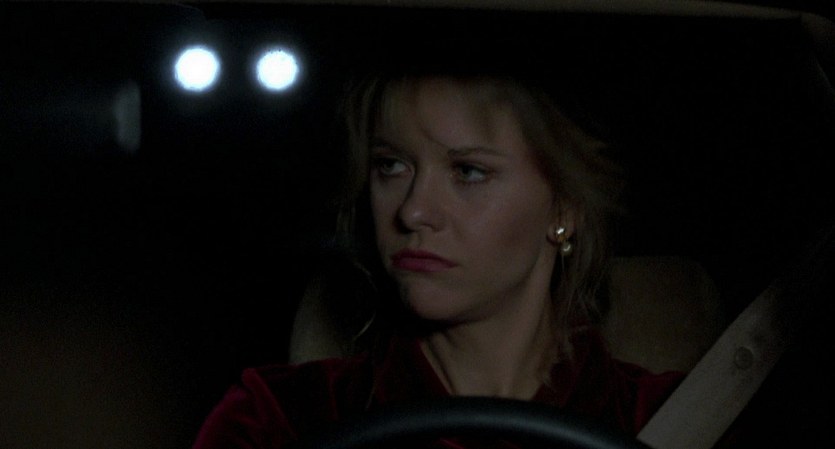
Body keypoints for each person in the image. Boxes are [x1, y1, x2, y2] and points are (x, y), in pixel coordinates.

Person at [191, 59, 685, 449]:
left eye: (468, 171)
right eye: (391, 166)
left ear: (565, 207)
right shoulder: (277, 417)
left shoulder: (673, 418)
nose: (413, 211)